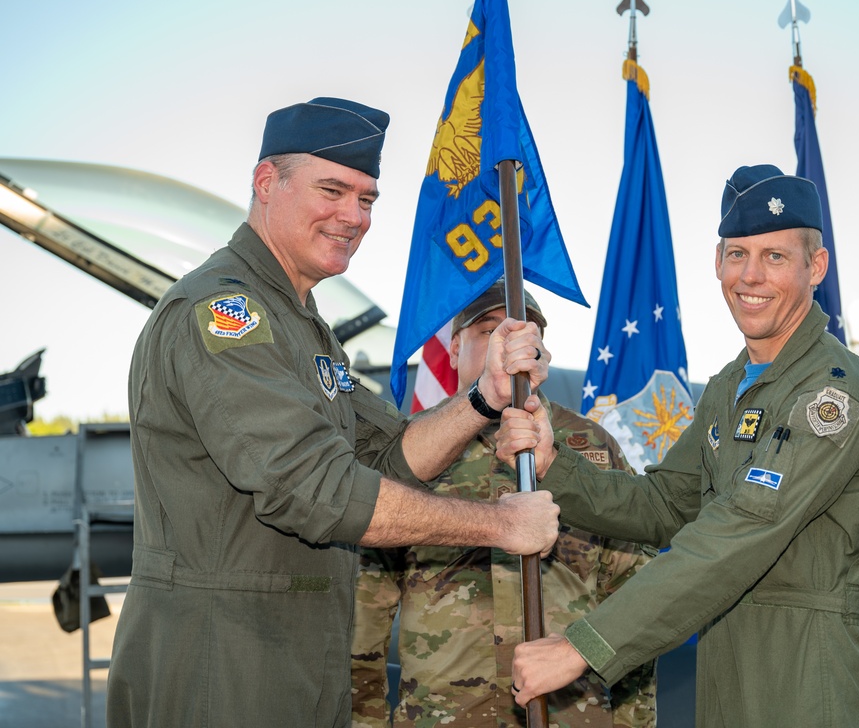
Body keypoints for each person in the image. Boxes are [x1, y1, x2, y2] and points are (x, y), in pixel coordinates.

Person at [105, 97, 560, 728]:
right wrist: (500, 527)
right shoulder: (225, 315)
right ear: (268, 183)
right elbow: (317, 490)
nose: (354, 217)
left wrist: (483, 398)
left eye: (367, 199)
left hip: (294, 661)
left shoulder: (299, 324)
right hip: (221, 668)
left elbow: (389, 458)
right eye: (333, 190)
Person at [499, 164, 859, 727]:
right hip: (724, 682)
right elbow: (667, 505)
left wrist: (582, 646)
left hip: (807, 689)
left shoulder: (834, 395)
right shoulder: (729, 387)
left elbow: (740, 531)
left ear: (816, 266)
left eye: (776, 257)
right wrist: (555, 465)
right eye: (737, 254)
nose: (751, 276)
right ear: (717, 263)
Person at [350, 281, 658, 728]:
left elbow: (634, 596)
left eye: (523, 334)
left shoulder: (589, 447)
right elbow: (367, 606)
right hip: (444, 715)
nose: (508, 346)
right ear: (454, 349)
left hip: (570, 714)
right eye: (488, 332)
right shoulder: (413, 451)